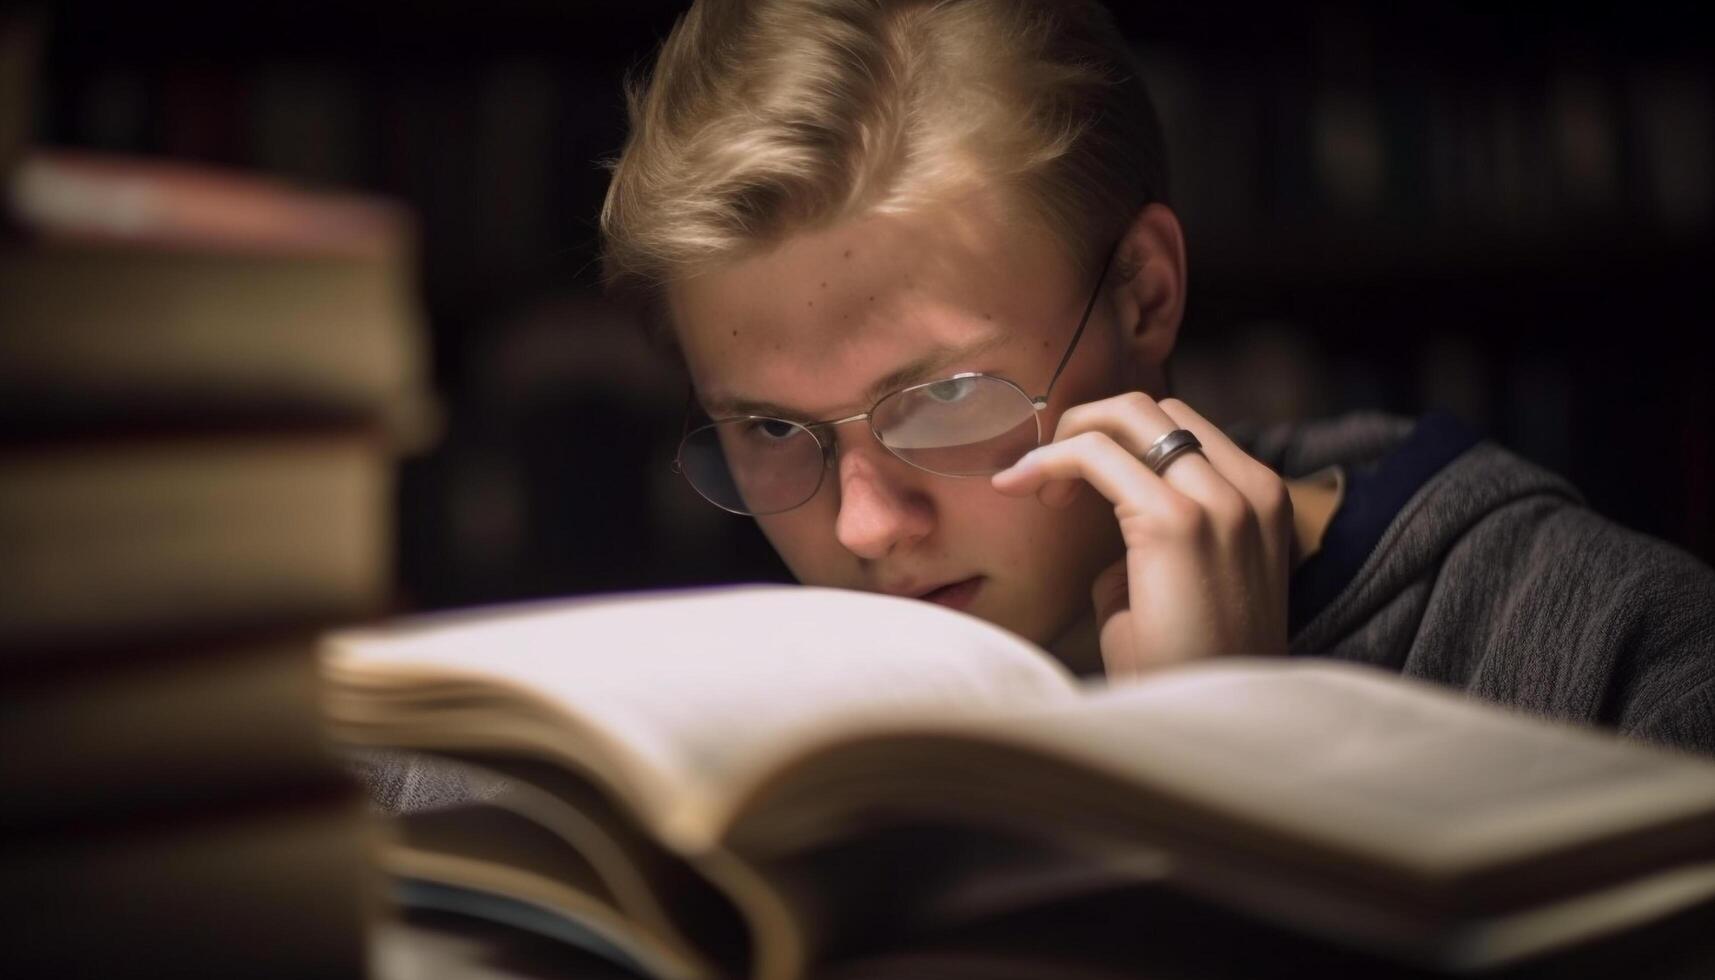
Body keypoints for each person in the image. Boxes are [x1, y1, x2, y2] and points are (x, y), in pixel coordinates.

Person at [593, 0, 1715, 755]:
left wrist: (1225, 755)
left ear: (1142, 295)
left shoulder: (1613, 660)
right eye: (774, 431)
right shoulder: (729, 712)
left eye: (939, 398)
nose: (868, 527)